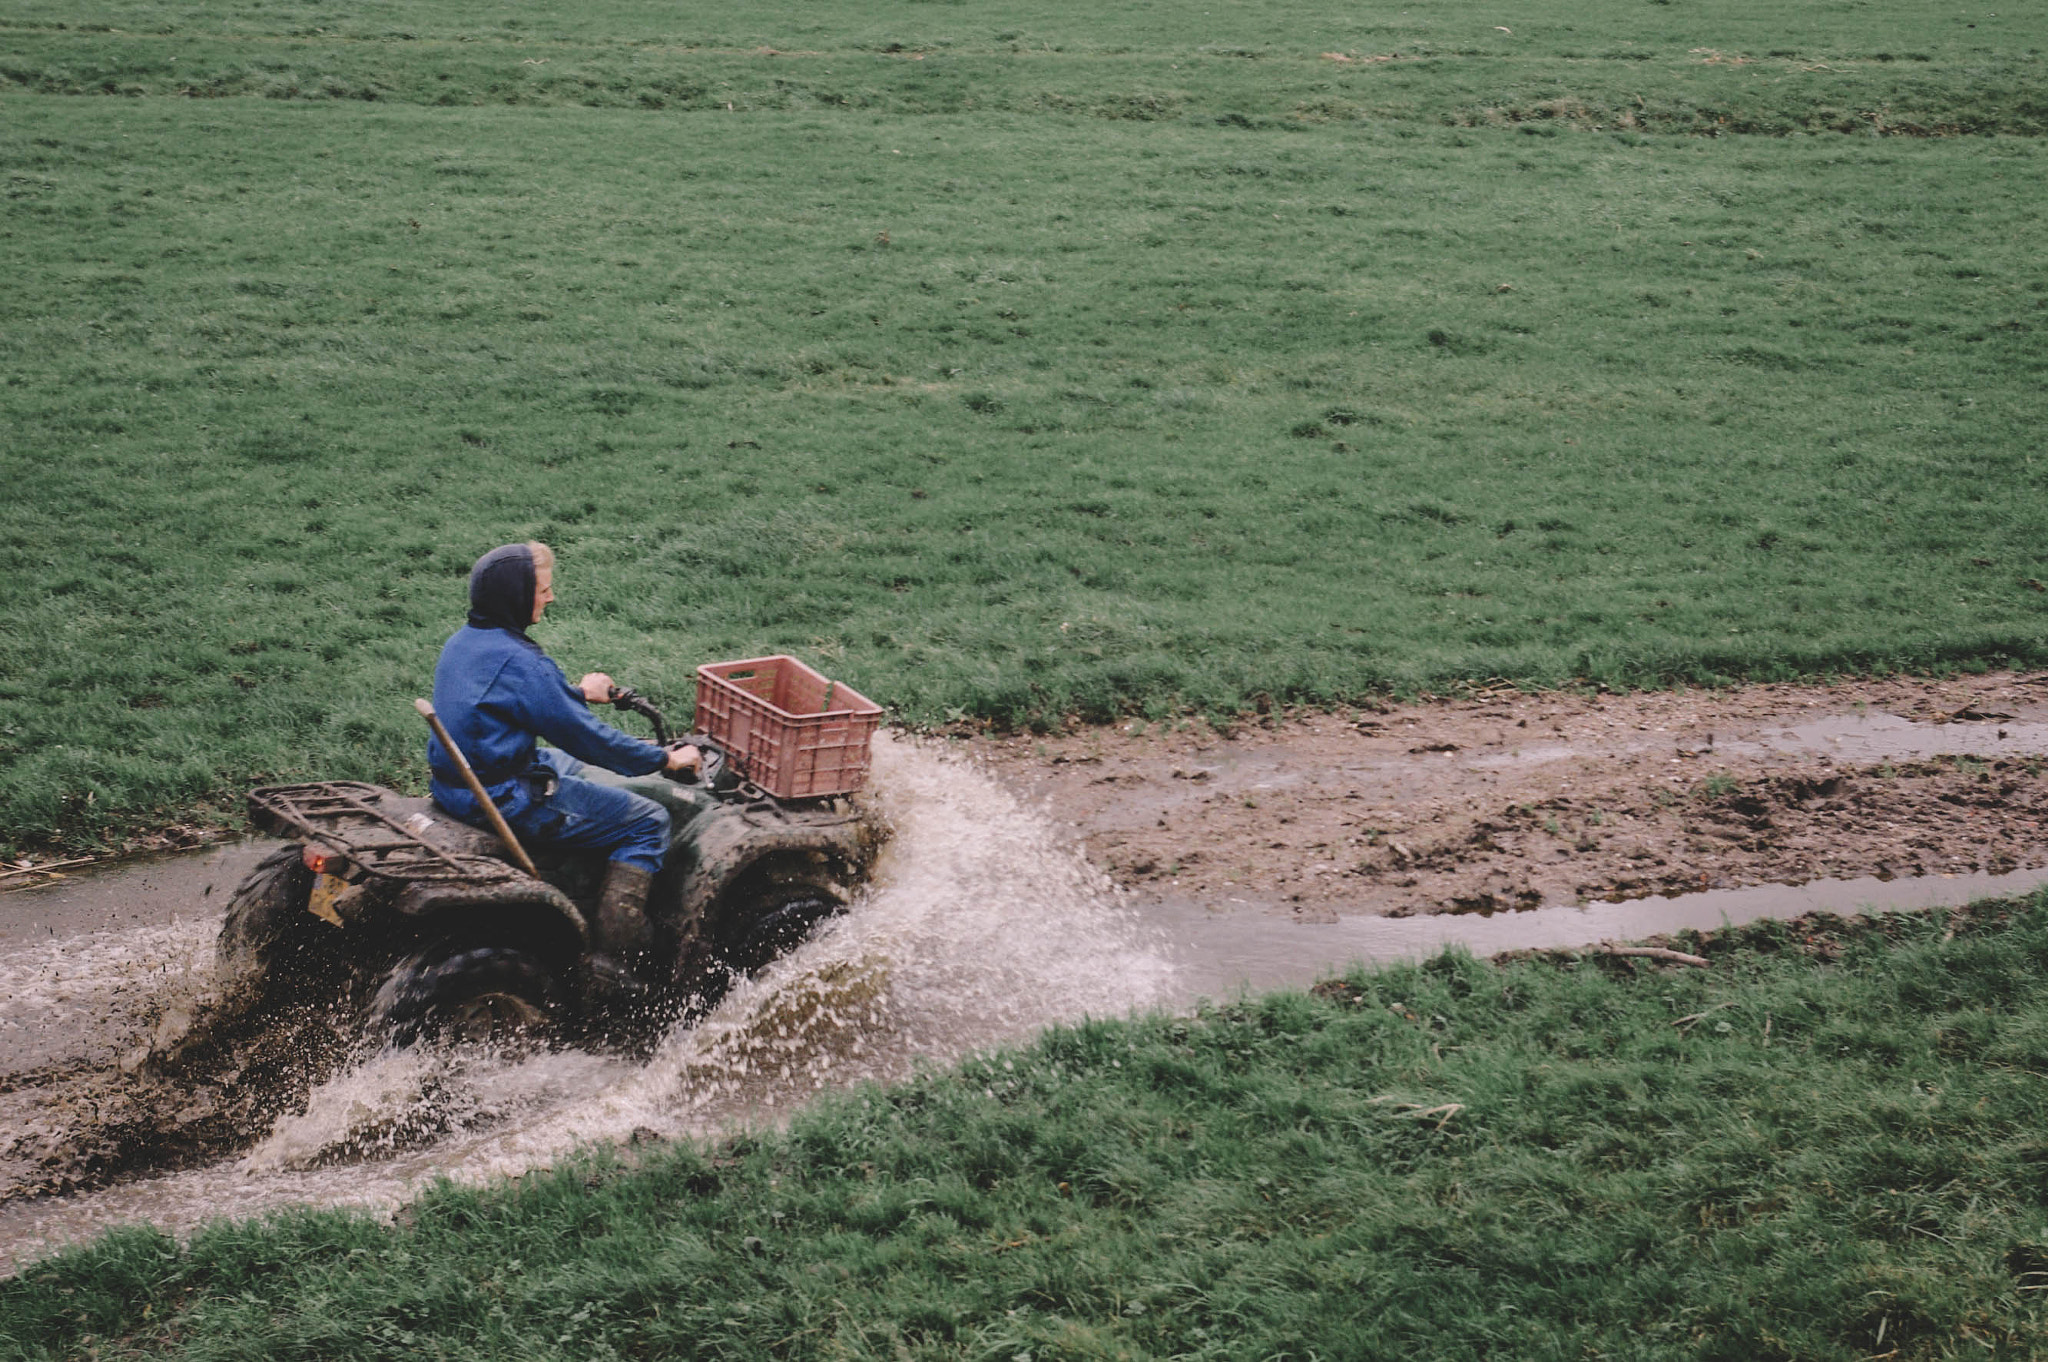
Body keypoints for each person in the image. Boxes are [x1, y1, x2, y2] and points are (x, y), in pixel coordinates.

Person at [428, 541, 698, 989]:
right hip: (503, 797)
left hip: (462, 781)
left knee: (563, 759)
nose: (550, 598)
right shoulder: (522, 662)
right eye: (543, 590)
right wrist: (665, 759)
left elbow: (518, 701)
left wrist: (573, 694)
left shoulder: (467, 642)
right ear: (515, 597)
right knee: (649, 821)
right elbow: (590, 739)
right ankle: (613, 967)